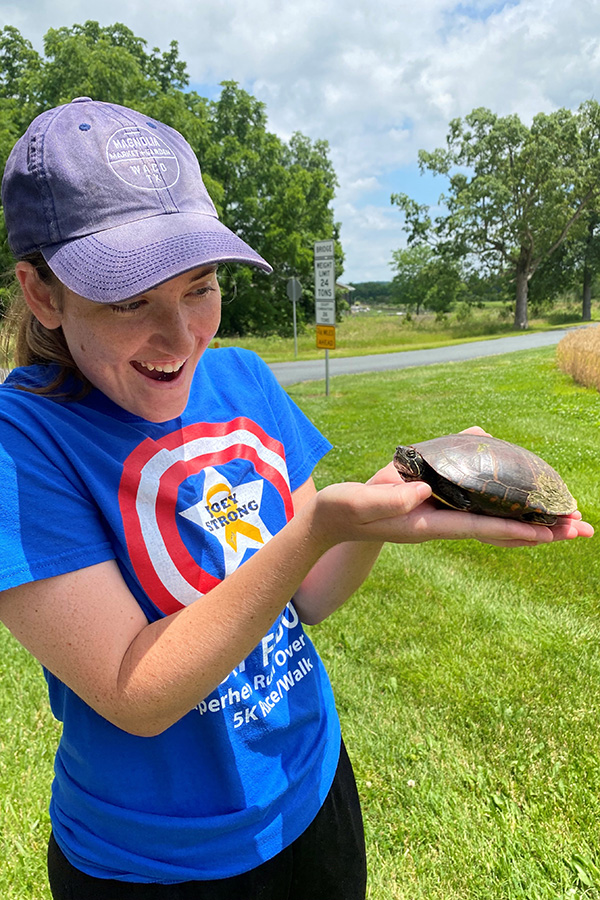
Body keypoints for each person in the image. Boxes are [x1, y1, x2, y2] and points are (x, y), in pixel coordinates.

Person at [0, 98, 592, 900]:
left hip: (311, 794)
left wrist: (377, 520)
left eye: (200, 287)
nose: (180, 340)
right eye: (130, 301)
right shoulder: (22, 442)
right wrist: (313, 527)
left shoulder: (244, 380)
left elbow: (308, 597)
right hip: (153, 865)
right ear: (42, 294)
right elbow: (136, 695)